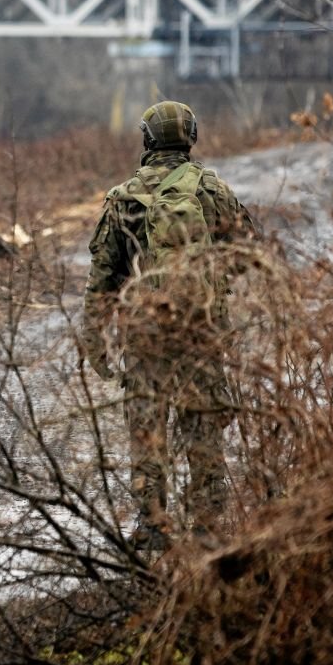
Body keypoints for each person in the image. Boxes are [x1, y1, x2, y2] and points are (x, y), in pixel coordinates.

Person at [83, 101, 256, 549]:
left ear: (147, 140)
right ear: (191, 136)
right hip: (199, 331)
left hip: (145, 335)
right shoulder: (212, 191)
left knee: (147, 430)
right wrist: (213, 286)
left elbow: (102, 281)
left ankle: (153, 526)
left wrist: (95, 344)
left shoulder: (122, 198)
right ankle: (208, 527)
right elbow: (248, 248)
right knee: (202, 431)